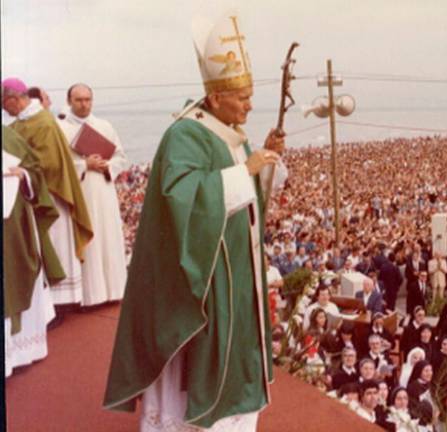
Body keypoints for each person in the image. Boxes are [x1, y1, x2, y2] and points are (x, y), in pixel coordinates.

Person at [103, 13, 286, 430]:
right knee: (202, 365)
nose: (250, 105)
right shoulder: (185, 134)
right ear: (216, 95)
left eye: (251, 94)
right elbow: (181, 198)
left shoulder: (227, 129)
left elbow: (252, 202)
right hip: (203, 281)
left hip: (235, 273)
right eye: (242, 96)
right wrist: (246, 171)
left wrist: (265, 162)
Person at [2, 77, 93, 306]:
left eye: (4, 103)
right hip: (34, 193)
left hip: (52, 194)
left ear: (14, 99)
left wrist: (22, 168)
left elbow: (49, 162)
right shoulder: (22, 121)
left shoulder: (42, 121)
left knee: (54, 243)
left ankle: (61, 301)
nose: (4, 109)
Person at [57, 83, 130, 306]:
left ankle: (115, 291)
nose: (84, 104)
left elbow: (121, 157)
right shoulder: (60, 128)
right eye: (78, 100)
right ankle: (90, 296)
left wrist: (108, 164)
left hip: (104, 189)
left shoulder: (104, 125)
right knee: (90, 240)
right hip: (83, 191)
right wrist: (83, 164)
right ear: (69, 101)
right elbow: (59, 164)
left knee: (108, 237)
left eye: (88, 99)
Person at [3, 125, 62, 377]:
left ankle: (20, 351)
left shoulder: (7, 135)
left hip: (13, 222)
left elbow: (35, 171)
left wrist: (22, 175)